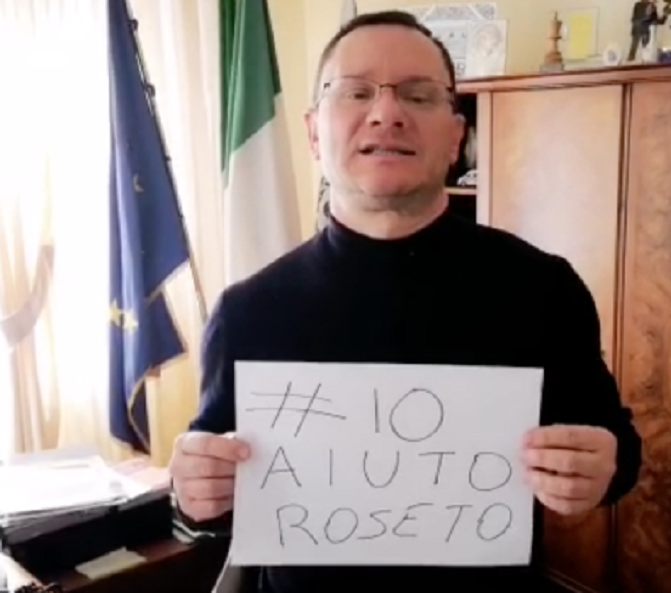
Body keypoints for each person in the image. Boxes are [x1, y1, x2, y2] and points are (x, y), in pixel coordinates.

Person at [168, 10, 642, 593]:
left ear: (456, 136)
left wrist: (604, 468)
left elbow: (618, 449)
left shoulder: (543, 288)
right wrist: (194, 492)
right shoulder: (247, 312)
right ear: (314, 133)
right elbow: (209, 501)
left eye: (418, 95)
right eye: (356, 92)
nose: (386, 112)